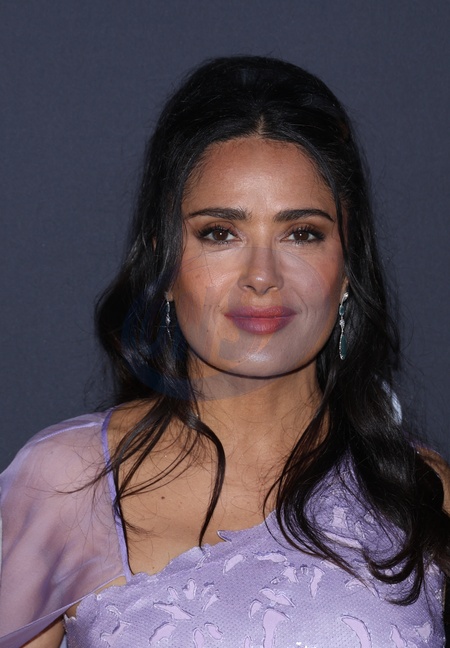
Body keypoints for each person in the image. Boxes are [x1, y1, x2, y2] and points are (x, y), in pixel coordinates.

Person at [0, 56, 449, 648]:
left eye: (302, 234)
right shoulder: (65, 485)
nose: (262, 276)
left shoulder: (424, 493)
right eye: (220, 233)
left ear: (346, 269)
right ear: (165, 264)